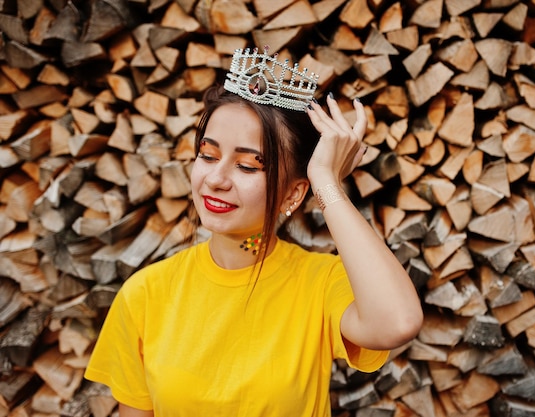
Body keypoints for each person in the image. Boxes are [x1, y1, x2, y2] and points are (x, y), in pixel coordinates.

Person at [84, 46, 423, 417]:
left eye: (247, 166)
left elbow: (398, 322)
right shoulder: (145, 294)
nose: (215, 179)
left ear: (293, 193)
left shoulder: (320, 283)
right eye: (208, 155)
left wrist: (327, 182)